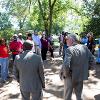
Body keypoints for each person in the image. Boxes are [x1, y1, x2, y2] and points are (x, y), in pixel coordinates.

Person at [60, 33, 95, 100]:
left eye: (67, 39)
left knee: (67, 96)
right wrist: (86, 68)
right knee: (79, 95)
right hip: (80, 76)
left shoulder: (69, 49)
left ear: (71, 40)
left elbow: (66, 64)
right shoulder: (84, 47)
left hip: (70, 76)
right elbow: (92, 60)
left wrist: (65, 74)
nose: (66, 40)